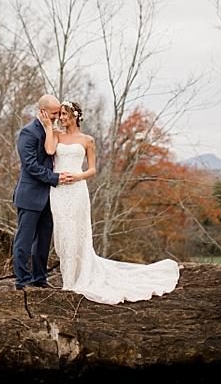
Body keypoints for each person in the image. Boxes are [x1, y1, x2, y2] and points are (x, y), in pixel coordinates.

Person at [43, 100, 180, 304]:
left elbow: (92, 169)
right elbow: (49, 151)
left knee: (76, 232)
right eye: (60, 114)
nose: (61, 118)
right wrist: (48, 128)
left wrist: (78, 177)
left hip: (77, 190)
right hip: (59, 190)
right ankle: (68, 276)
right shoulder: (57, 135)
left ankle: (71, 283)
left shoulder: (87, 140)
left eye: (65, 114)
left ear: (75, 116)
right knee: (63, 232)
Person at [11, 94, 72, 290]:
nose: (57, 117)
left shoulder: (51, 131)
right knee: (24, 240)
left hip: (51, 197)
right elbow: (30, 165)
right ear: (43, 111)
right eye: (55, 113)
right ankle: (22, 280)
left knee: (44, 240)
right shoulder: (28, 133)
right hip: (30, 196)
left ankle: (39, 278)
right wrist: (55, 178)